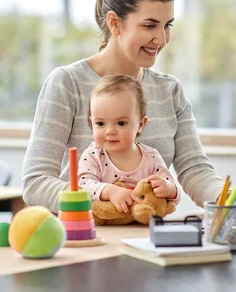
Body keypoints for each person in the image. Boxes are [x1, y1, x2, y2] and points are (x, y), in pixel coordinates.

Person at [22, 0, 236, 215]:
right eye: (149, 26)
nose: (162, 38)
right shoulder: (66, 83)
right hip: (86, 238)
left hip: (151, 239)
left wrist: (229, 199)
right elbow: (36, 183)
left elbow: (194, 169)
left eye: (167, 25)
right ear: (114, 23)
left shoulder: (169, 90)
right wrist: (105, 199)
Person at [78, 74, 181, 213]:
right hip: (106, 228)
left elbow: (174, 194)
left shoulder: (151, 157)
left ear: (140, 124)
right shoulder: (93, 155)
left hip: (142, 229)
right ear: (92, 122)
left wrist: (169, 189)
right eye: (100, 123)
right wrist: (109, 191)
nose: (110, 131)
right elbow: (82, 186)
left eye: (121, 123)